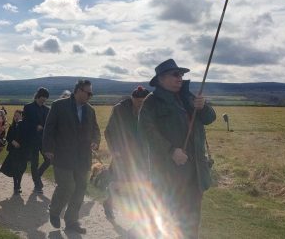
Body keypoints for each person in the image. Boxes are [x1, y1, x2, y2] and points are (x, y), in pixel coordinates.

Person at [138, 59, 216, 239]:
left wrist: (203, 107)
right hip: (168, 174)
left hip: (195, 173)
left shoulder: (189, 97)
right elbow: (147, 132)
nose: (180, 77)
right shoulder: (151, 102)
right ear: (161, 79)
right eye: (175, 74)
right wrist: (171, 151)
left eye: (181, 74)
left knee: (192, 219)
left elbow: (210, 118)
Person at [42, 79, 101, 234]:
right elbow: (49, 129)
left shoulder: (90, 110)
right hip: (63, 155)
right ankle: (54, 211)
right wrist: (48, 148)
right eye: (88, 93)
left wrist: (95, 142)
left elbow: (96, 130)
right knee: (67, 186)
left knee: (80, 189)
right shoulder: (58, 106)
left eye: (91, 93)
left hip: (83, 158)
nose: (90, 96)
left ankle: (72, 221)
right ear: (78, 91)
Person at [103, 86, 150, 220]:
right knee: (119, 184)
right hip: (122, 154)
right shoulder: (120, 109)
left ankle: (139, 216)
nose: (141, 105)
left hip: (142, 156)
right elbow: (109, 132)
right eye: (138, 102)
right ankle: (108, 203)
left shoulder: (150, 109)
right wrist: (114, 150)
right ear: (132, 99)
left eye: (143, 102)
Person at [23, 87, 50, 194]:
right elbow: (25, 124)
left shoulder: (47, 109)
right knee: (34, 163)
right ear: (38, 96)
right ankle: (37, 184)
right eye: (43, 97)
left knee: (49, 160)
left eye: (46, 98)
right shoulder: (28, 107)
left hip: (43, 140)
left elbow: (49, 124)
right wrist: (35, 126)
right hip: (32, 140)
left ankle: (37, 175)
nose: (44, 100)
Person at [0, 110, 28, 195]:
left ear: (22, 117)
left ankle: (18, 184)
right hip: (14, 152)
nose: (16, 117)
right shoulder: (12, 126)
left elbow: (28, 138)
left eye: (18, 116)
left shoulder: (26, 127)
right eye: (15, 116)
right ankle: (16, 185)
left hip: (23, 152)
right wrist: (13, 142)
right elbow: (8, 137)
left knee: (22, 168)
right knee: (15, 168)